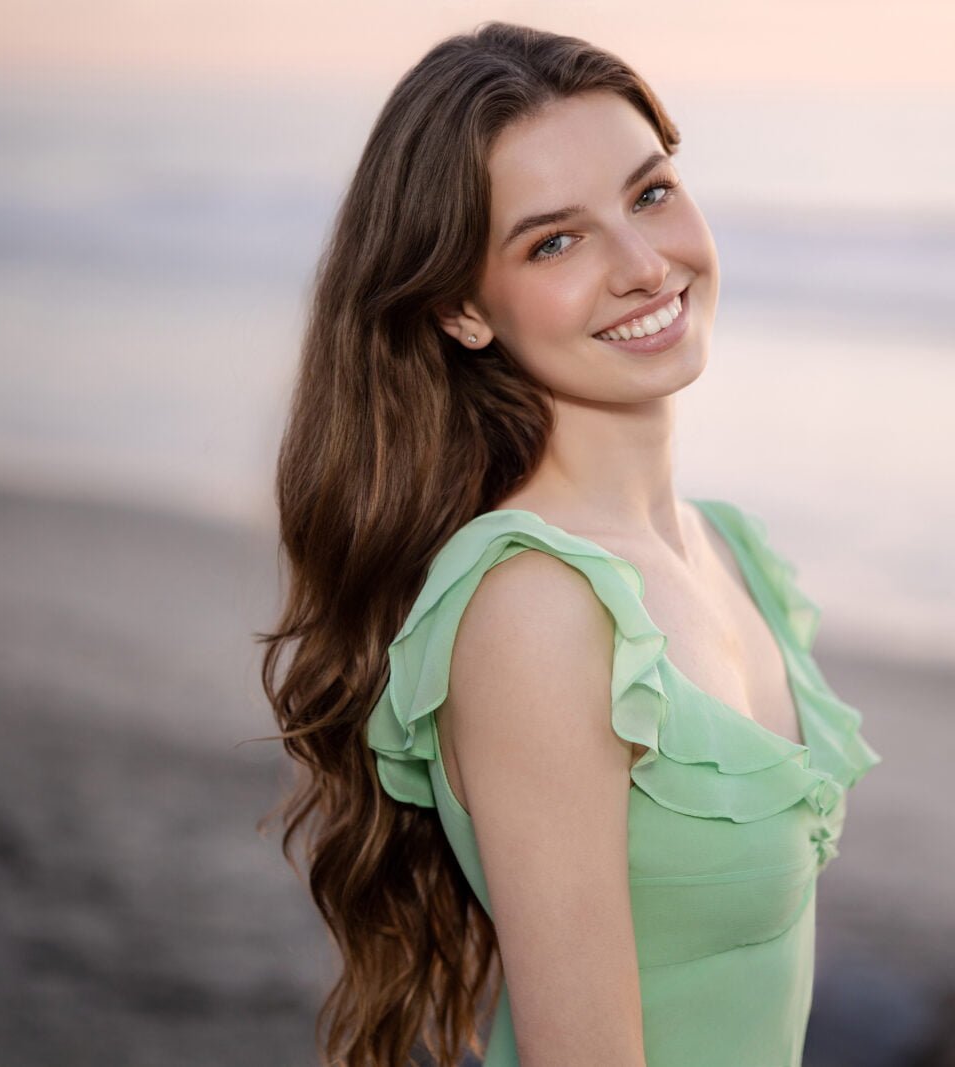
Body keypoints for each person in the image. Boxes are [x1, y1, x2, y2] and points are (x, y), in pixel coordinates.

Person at [261, 21, 881, 1067]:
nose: (644, 265)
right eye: (555, 240)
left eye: (649, 193)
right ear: (462, 307)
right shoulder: (537, 607)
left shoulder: (722, 548)